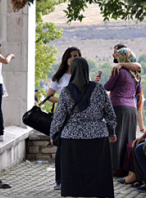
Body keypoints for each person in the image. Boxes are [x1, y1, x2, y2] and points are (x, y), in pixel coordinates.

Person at [50, 57, 117, 198]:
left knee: (74, 175)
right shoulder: (99, 89)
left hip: (72, 138)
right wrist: (111, 131)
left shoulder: (66, 92)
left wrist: (53, 134)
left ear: (73, 71)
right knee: (97, 172)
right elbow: (110, 113)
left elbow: (59, 117)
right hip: (98, 136)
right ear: (87, 70)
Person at [46, 46, 82, 190]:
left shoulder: (82, 77)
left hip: (79, 117)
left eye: (77, 56)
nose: (74, 58)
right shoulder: (59, 77)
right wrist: (63, 101)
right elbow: (49, 96)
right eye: (71, 56)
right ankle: (59, 180)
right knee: (61, 149)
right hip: (63, 117)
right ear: (66, 59)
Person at [104, 47, 142, 176]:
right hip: (132, 109)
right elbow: (137, 93)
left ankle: (116, 167)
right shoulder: (136, 76)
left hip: (118, 107)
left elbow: (107, 86)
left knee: (117, 138)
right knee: (128, 138)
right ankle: (127, 168)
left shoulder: (118, 71)